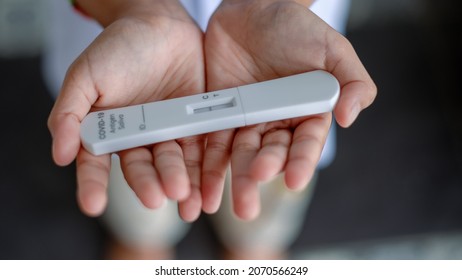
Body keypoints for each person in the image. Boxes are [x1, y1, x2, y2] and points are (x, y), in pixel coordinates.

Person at [45, 0, 376, 259]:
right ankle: (140, 238)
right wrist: (134, 7)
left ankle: (256, 242)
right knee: (135, 176)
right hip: (128, 60)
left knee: (273, 168)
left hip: (279, 55)